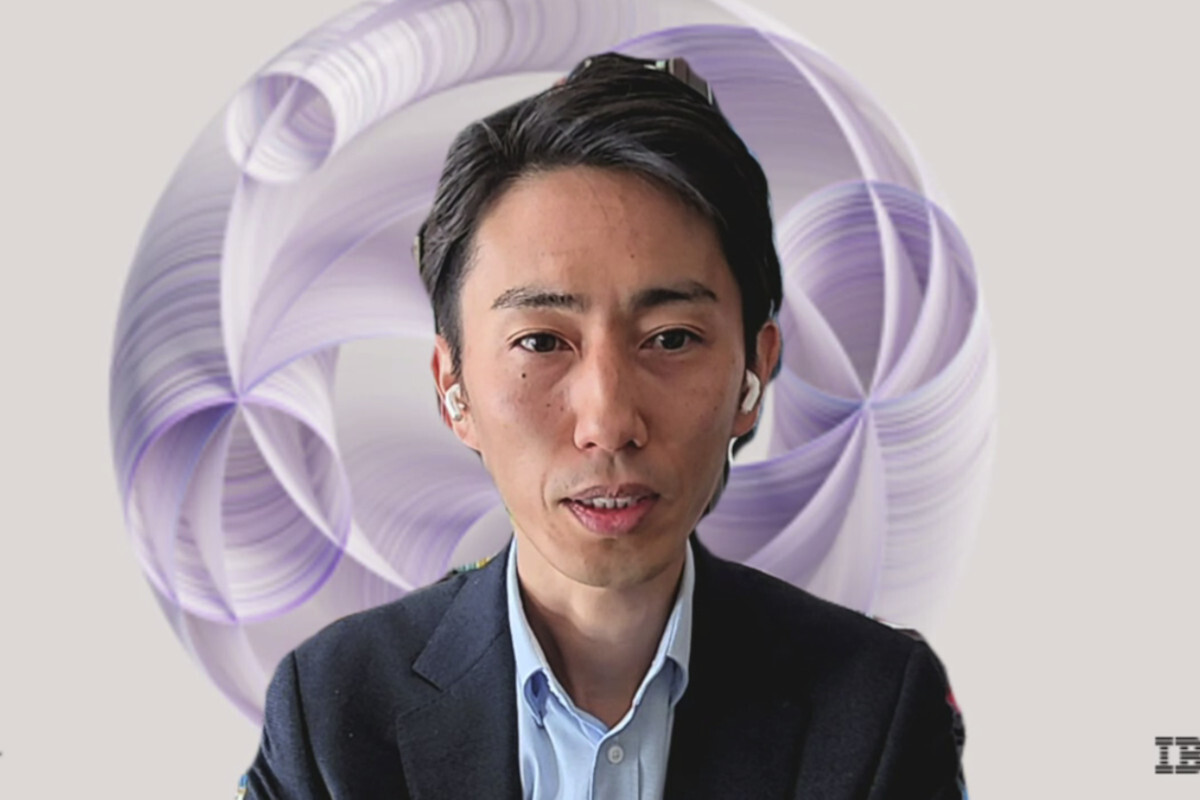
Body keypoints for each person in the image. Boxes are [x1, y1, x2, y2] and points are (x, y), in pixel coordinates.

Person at [242, 53, 966, 799]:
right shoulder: (329, 714)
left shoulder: (874, 709)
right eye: (541, 342)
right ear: (452, 387)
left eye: (671, 338)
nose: (609, 423)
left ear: (754, 372)